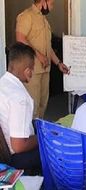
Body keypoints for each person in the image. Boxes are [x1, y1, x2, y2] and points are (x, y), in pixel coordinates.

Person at [16, 0, 69, 119]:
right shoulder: (26, 16)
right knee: (32, 107)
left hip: (45, 69)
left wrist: (58, 63)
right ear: (43, 2)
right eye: (51, 4)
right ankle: (31, 136)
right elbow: (20, 38)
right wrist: (38, 55)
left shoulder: (44, 20)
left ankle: (38, 134)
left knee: (42, 105)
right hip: (31, 70)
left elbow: (48, 47)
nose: (52, 7)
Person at [0, 42, 41, 173]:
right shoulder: (20, 98)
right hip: (15, 157)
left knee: (41, 124)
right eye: (33, 68)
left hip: (3, 148)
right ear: (28, 71)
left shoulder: (3, 82)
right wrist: (41, 137)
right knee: (54, 149)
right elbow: (18, 146)